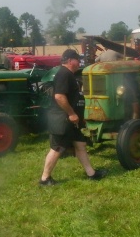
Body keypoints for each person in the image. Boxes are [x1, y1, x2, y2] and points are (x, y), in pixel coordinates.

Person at [40, 49, 106, 186]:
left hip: (72, 120)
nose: (78, 63)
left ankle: (91, 173)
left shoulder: (68, 74)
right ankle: (45, 179)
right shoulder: (64, 74)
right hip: (63, 118)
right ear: (70, 60)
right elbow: (59, 96)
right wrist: (71, 113)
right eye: (77, 60)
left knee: (80, 144)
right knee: (57, 147)